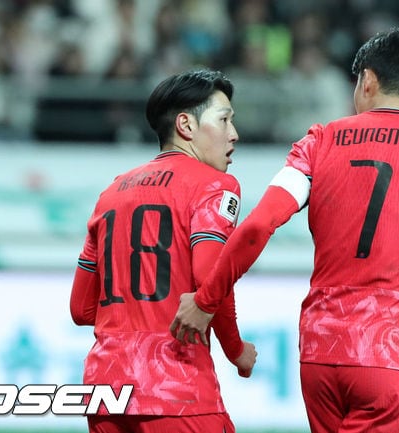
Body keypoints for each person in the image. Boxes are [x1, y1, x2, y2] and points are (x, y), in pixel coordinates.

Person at [171, 25, 399, 433]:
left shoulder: (319, 141)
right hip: (395, 356)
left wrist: (206, 301)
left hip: (320, 357)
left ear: (368, 81)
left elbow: (258, 225)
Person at [69, 69, 257, 433]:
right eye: (224, 120)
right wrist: (236, 350)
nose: (234, 133)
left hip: (105, 389)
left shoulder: (111, 194)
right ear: (186, 125)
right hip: (175, 388)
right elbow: (210, 278)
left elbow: (81, 309)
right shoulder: (215, 185)